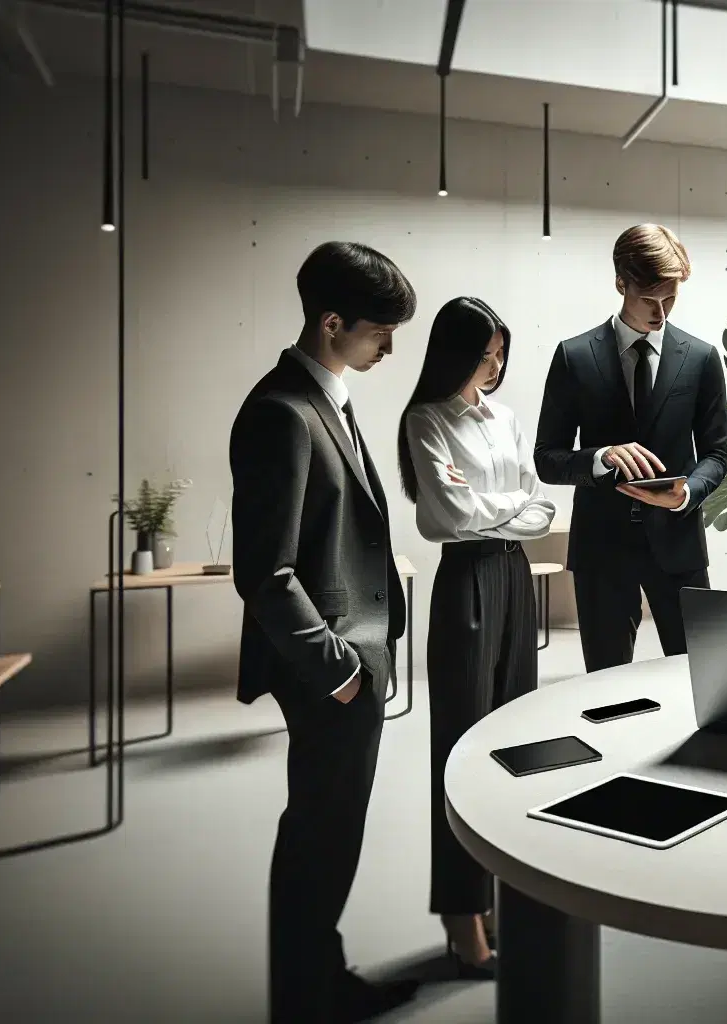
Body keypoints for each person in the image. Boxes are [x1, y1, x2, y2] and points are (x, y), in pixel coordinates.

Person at [229, 241, 419, 1023]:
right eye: (381, 331)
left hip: (354, 659)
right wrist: (337, 670)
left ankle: (313, 981)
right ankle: (306, 998)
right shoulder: (281, 411)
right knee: (318, 833)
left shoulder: (326, 397)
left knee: (330, 831)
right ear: (333, 322)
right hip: (329, 671)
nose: (390, 347)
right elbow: (264, 574)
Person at [397, 297, 556, 980]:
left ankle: (498, 899)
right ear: (456, 352)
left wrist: (497, 509)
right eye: (485, 351)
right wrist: (508, 508)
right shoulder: (425, 420)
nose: (494, 364)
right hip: (463, 582)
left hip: (515, 581)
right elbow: (449, 513)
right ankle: (462, 918)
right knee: (458, 748)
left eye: (500, 352)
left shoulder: (507, 418)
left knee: (513, 744)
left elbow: (542, 507)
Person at [534, 224, 727, 670]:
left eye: (671, 299)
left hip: (678, 548)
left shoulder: (701, 359)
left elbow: (717, 455)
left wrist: (688, 494)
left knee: (696, 680)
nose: (661, 313)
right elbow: (548, 458)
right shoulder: (574, 356)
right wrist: (599, 458)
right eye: (649, 300)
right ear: (621, 282)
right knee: (604, 686)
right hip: (601, 551)